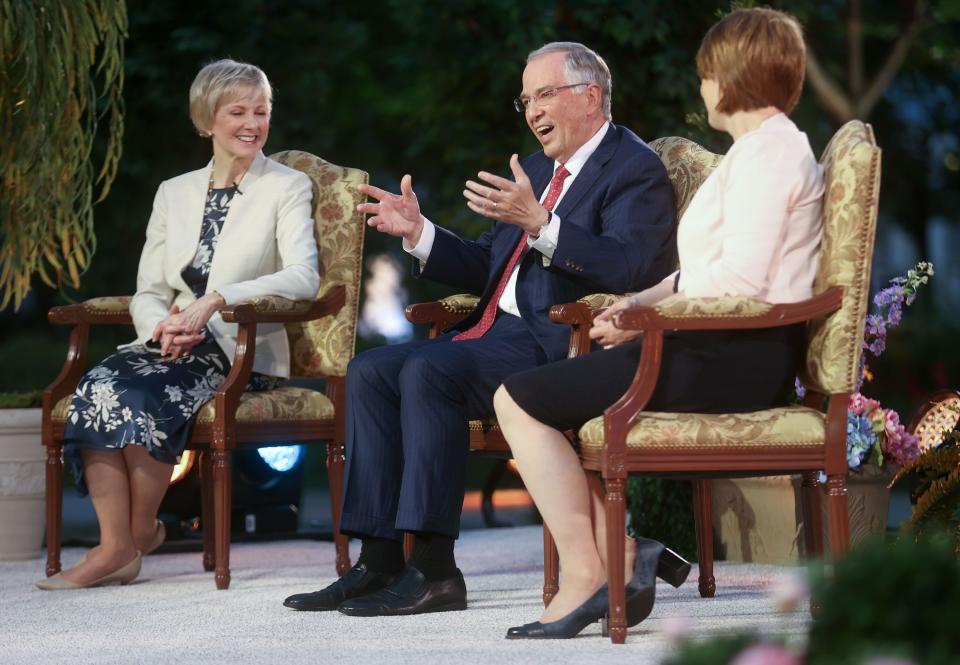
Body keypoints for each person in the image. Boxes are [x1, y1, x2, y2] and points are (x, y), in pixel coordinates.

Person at [282, 42, 676, 616]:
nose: (533, 111)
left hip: (559, 343)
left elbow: (631, 266)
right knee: (368, 370)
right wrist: (419, 234)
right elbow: (487, 264)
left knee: (426, 369)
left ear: (590, 96)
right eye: (526, 100)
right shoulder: (539, 169)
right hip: (494, 333)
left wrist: (543, 223)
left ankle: (436, 570)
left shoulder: (634, 167)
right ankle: (379, 559)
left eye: (545, 95)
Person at [493, 7, 824, 639]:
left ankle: (590, 573)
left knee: (519, 399)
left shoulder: (773, 157)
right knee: (542, 393)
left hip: (732, 356)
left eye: (706, 74)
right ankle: (616, 559)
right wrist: (640, 300)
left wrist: (648, 319)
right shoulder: (755, 152)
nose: (702, 88)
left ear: (734, 74)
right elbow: (703, 269)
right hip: (706, 340)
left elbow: (742, 288)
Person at [37, 59, 320, 590]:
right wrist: (160, 330)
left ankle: (135, 534)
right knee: (96, 387)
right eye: (238, 111)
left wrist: (216, 300)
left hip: (239, 346)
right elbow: (150, 290)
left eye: (262, 111)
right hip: (171, 341)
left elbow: (305, 277)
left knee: (144, 394)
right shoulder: (175, 192)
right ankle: (117, 543)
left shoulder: (287, 186)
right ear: (206, 119)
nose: (252, 123)